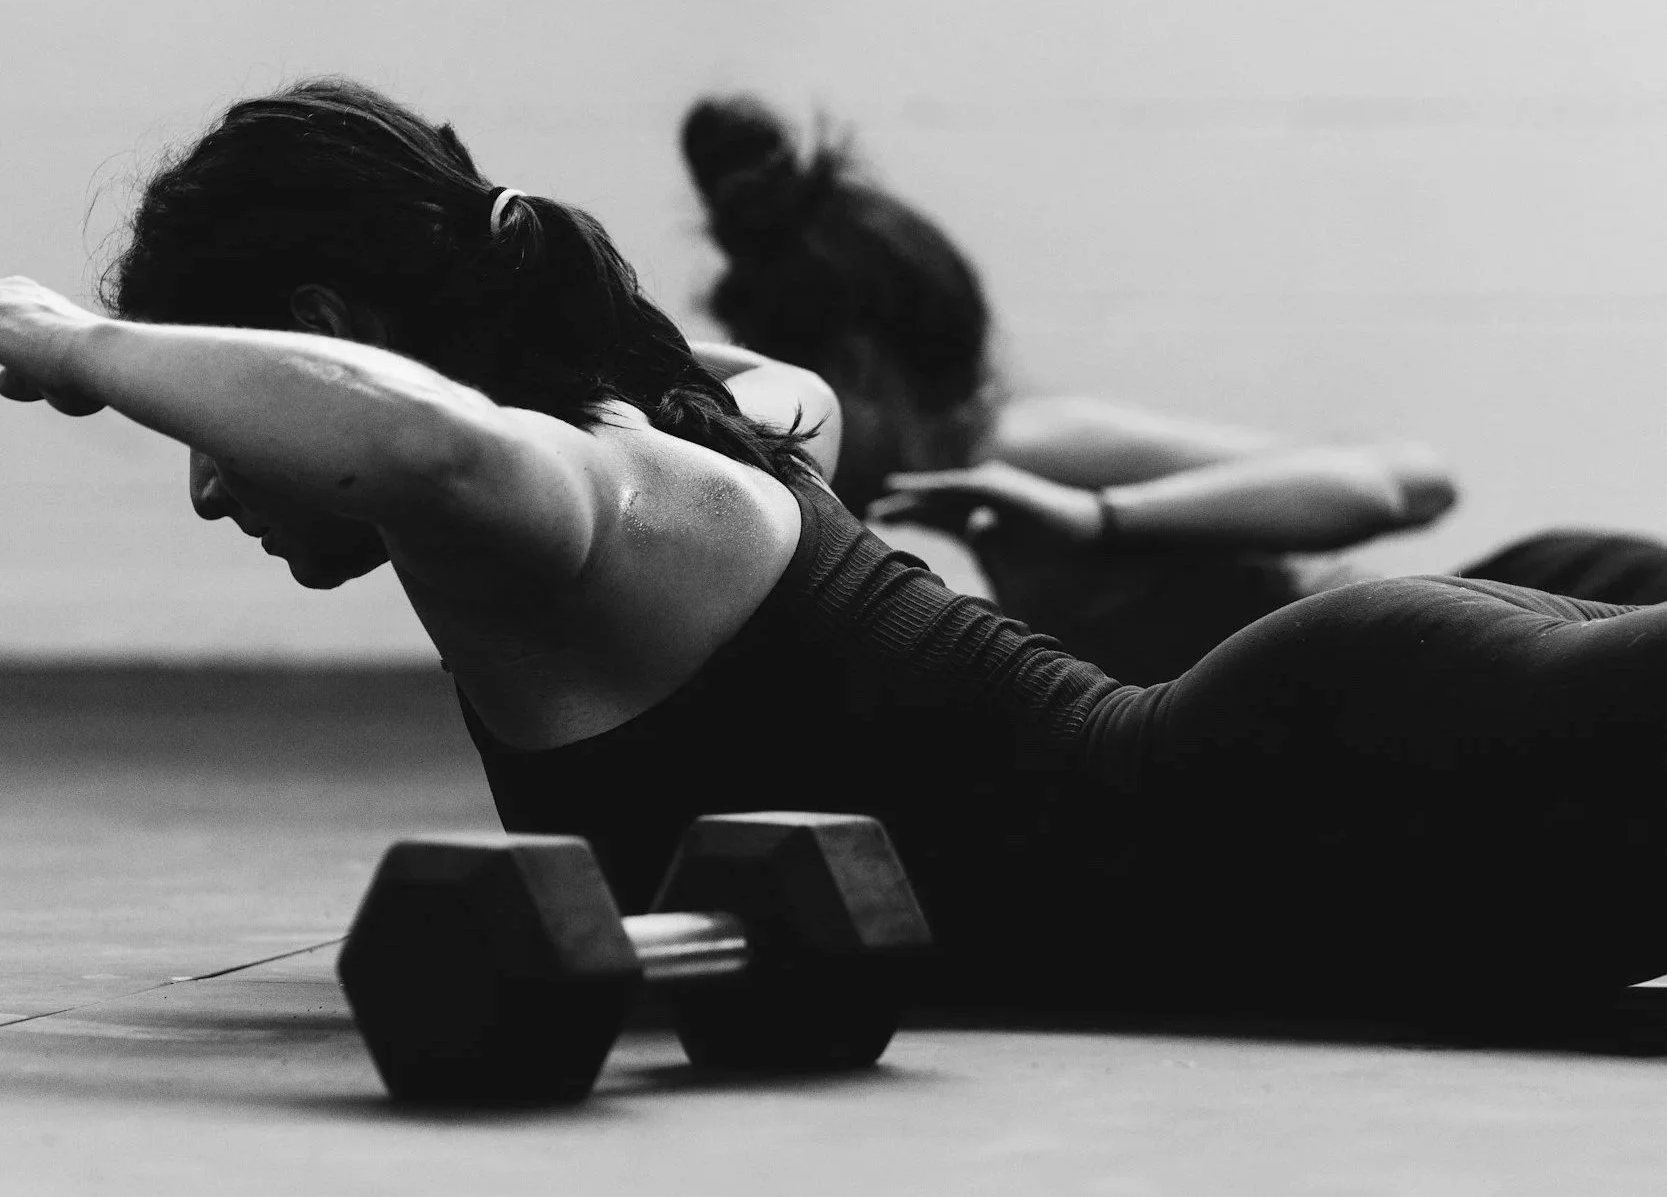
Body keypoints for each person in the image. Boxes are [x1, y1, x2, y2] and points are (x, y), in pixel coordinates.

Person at [7, 77, 1667, 1014]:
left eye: (212, 429)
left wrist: (74, 348)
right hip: (1329, 816)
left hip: (1316, 807)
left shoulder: (584, 499)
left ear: (316, 332)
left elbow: (417, 437)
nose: (213, 486)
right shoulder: (700, 418)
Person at [681, 96, 1667, 683]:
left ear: (853, 367)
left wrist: (1098, 517)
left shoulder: (1027, 446)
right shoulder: (917, 515)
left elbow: (1407, 481)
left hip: (1526, 625)